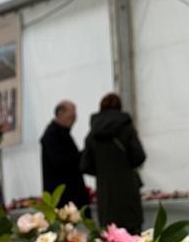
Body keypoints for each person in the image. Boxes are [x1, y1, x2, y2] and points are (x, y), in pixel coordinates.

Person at [81, 93, 146, 233]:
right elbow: (139, 157)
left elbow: (85, 165)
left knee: (111, 240)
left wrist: (102, 170)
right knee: (134, 241)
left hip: (106, 195)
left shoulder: (92, 135)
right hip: (128, 193)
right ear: (119, 107)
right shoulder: (127, 128)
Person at [40, 100, 90, 212]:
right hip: (64, 198)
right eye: (71, 116)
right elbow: (63, 163)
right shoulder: (52, 136)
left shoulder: (61, 133)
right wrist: (83, 155)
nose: (74, 119)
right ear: (60, 114)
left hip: (70, 195)